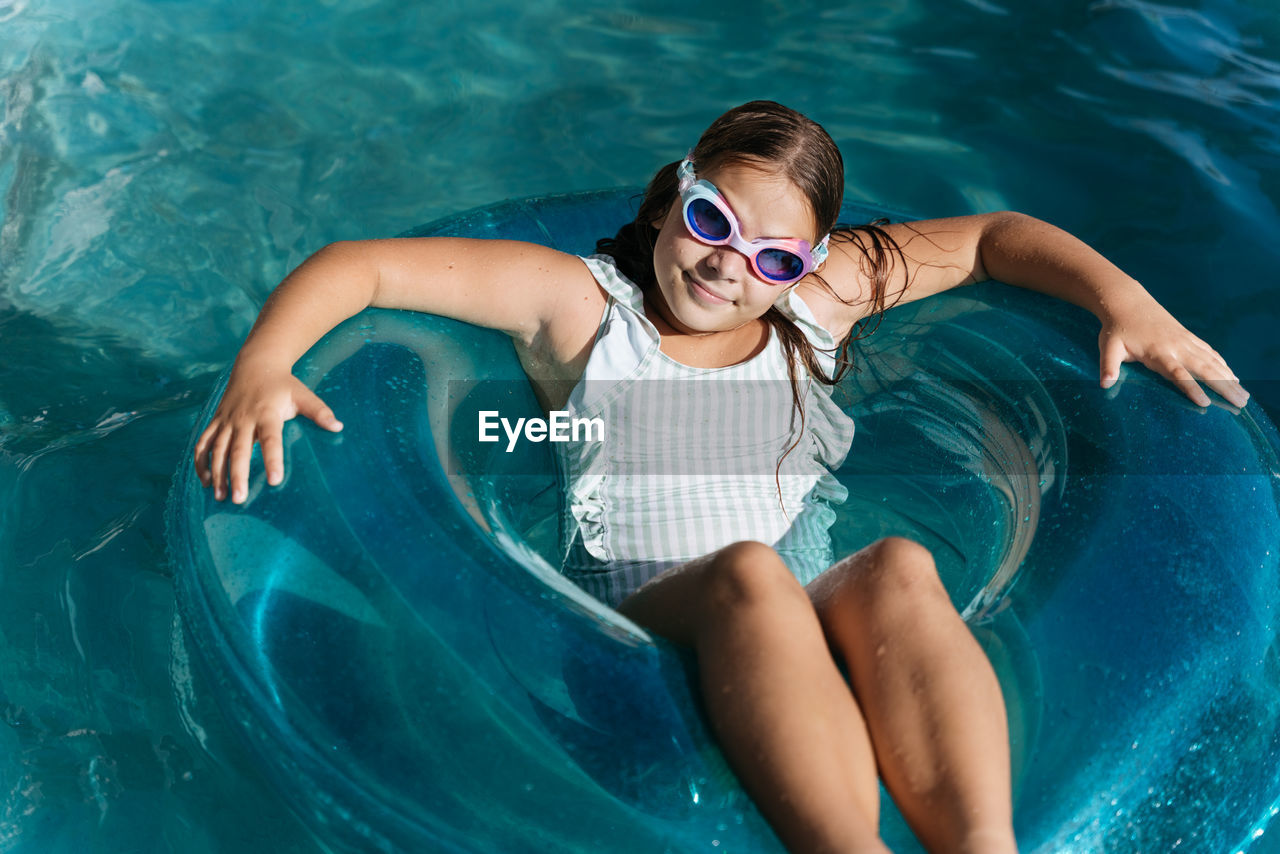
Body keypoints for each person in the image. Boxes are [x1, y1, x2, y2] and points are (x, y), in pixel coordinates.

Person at [193, 101, 1249, 854]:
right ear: (671, 198)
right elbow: (360, 264)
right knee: (748, 571)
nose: (727, 263)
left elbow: (988, 241)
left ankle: (980, 841)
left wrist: (1125, 300)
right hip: (639, 609)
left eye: (771, 256)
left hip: (789, 585)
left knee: (893, 562)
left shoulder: (816, 302)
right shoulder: (580, 308)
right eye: (709, 220)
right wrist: (261, 366)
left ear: (806, 262)